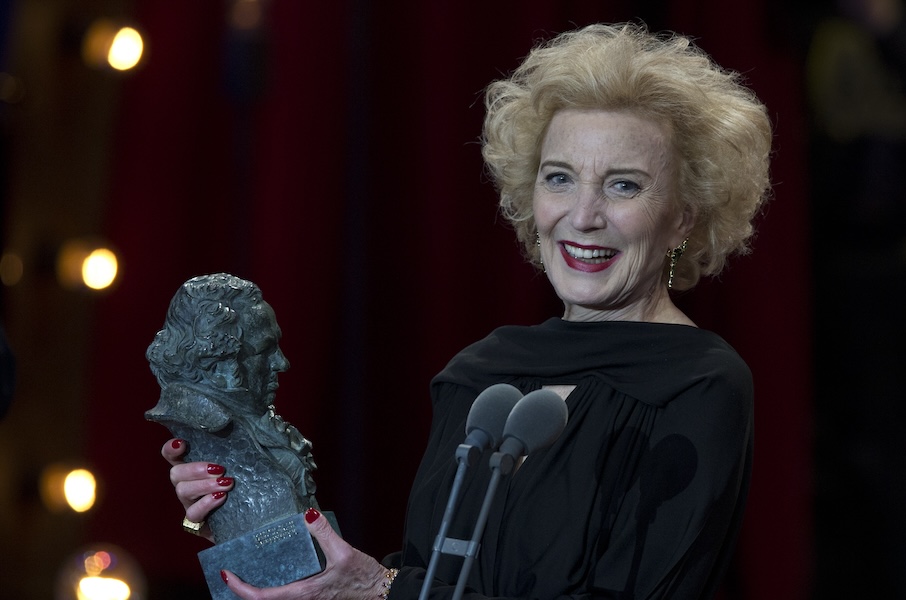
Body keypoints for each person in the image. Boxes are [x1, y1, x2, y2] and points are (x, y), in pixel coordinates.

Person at [160, 22, 773, 599]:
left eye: (623, 185)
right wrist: (259, 524)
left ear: (684, 217)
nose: (583, 215)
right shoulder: (480, 374)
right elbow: (438, 580)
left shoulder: (699, 385)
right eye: (559, 178)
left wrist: (381, 588)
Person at [147, 273, 319, 542]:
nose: (282, 363)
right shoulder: (205, 417)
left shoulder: (262, 421)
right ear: (219, 358)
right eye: (265, 350)